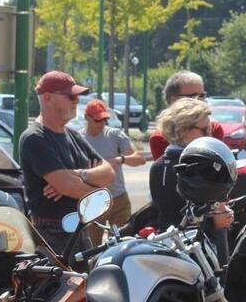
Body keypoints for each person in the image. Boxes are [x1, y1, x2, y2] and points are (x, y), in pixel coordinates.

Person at [19, 71, 115, 254]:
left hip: (78, 230)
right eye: (70, 96)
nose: (76, 101)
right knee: (64, 283)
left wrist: (79, 174)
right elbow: (67, 185)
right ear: (47, 98)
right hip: (51, 235)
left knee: (87, 281)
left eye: (77, 96)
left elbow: (109, 171)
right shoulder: (35, 138)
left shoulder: (73, 134)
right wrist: (102, 195)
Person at [149, 98, 233, 234]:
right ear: (183, 130)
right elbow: (218, 216)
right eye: (205, 129)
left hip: (167, 239)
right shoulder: (199, 166)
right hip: (196, 244)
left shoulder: (158, 166)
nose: (210, 134)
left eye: (210, 128)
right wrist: (223, 216)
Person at [81, 99, 145, 245]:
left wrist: (120, 159)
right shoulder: (78, 139)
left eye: (104, 119)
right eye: (97, 120)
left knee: (123, 243)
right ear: (87, 118)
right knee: (91, 246)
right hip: (93, 200)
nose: (102, 123)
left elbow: (139, 159)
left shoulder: (115, 135)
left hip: (118, 199)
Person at [148, 70, 228, 160]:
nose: (199, 101)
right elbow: (166, 171)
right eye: (193, 97)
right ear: (173, 100)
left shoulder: (214, 129)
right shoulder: (159, 138)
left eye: (202, 96)